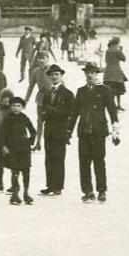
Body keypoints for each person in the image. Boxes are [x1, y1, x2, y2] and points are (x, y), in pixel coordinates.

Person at [74, 62, 120, 202]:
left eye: (92, 72)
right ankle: (88, 191)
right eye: (87, 72)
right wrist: (68, 130)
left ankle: (101, 191)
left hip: (99, 131)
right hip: (84, 131)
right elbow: (75, 112)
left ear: (97, 74)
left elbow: (112, 111)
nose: (89, 75)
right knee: (84, 162)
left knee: (99, 161)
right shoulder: (81, 91)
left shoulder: (104, 90)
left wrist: (115, 131)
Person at [35, 64, 76, 196]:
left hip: (60, 130)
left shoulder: (68, 94)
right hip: (49, 130)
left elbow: (71, 112)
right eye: (52, 75)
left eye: (57, 74)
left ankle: (58, 186)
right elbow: (43, 110)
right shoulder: (47, 93)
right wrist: (43, 115)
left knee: (58, 157)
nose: (54, 77)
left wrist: (54, 112)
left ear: (61, 76)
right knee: (49, 157)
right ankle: (50, 185)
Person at [0, 95, 38, 205]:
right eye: (14, 106)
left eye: (18, 106)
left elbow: (33, 131)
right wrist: (4, 146)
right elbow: (1, 134)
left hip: (24, 149)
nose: (16, 108)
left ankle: (26, 193)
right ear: (10, 107)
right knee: (15, 171)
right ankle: (15, 194)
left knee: (26, 171)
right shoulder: (7, 118)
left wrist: (30, 141)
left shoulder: (24, 118)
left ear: (22, 107)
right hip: (12, 149)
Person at [103, 37, 127, 101]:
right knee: (118, 90)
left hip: (108, 71)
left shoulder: (108, 50)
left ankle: (112, 105)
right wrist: (121, 50)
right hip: (116, 71)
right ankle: (118, 105)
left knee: (111, 89)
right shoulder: (117, 51)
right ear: (117, 43)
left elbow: (106, 61)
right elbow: (124, 59)